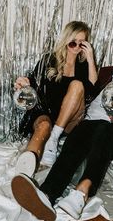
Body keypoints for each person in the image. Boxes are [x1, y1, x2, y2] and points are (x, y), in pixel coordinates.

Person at [11, 38, 113, 221]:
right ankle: (46, 195)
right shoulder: (104, 73)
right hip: (90, 124)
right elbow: (78, 86)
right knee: (76, 140)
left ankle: (81, 193)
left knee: (104, 130)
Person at [13, 21, 98, 177]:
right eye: (73, 42)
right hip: (47, 112)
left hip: (70, 119)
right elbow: (33, 81)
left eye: (82, 44)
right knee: (44, 126)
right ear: (66, 40)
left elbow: (92, 91)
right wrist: (23, 83)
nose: (76, 47)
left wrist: (90, 59)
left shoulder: (83, 65)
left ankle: (54, 136)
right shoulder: (49, 60)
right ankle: (24, 173)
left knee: (78, 85)